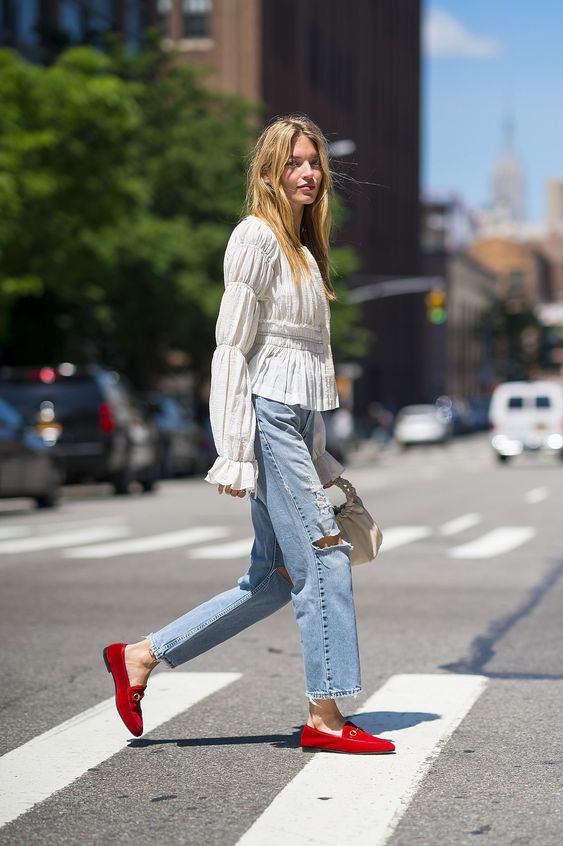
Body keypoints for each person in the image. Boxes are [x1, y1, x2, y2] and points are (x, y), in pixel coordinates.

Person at [103, 115, 395, 755]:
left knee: (273, 579)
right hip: (264, 418)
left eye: (314, 162)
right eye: (294, 162)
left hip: (293, 421)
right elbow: (231, 349)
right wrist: (234, 452)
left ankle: (143, 656)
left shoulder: (305, 250)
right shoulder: (255, 239)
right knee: (325, 557)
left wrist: (317, 456)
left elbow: (307, 368)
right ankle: (325, 719)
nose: (308, 172)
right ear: (268, 171)